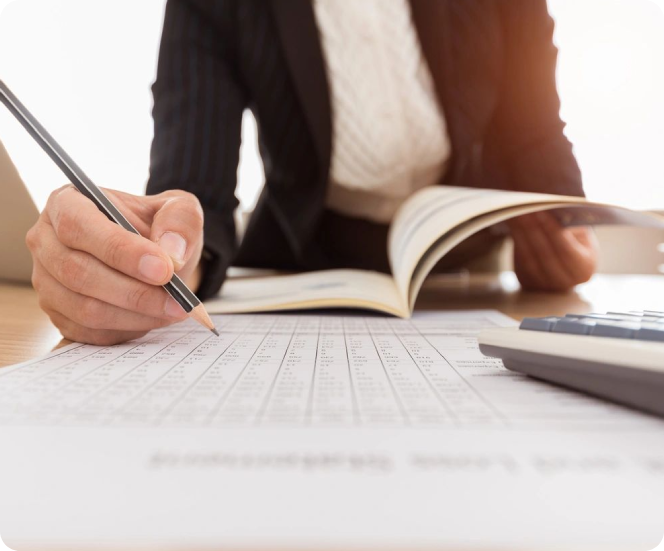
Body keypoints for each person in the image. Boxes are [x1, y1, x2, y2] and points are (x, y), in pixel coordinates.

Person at [26, 0, 598, 345]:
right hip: (306, 268)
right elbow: (192, 192)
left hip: (462, 270)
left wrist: (568, 229)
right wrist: (162, 258)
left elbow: (534, 128)